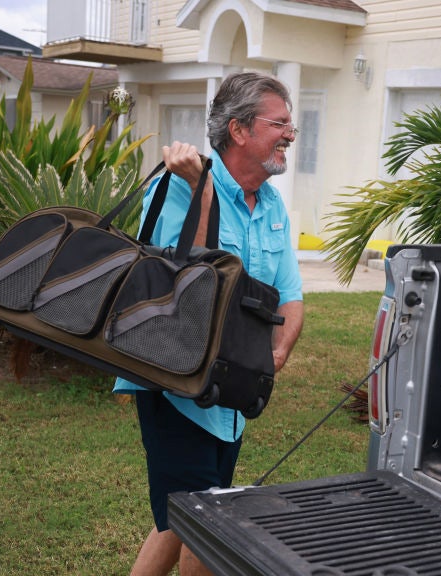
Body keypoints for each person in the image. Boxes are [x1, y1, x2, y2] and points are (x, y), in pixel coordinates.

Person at [114, 72, 304, 576]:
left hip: (233, 389)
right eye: (279, 123)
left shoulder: (272, 204)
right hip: (176, 384)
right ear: (239, 130)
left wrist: (274, 356)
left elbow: (292, 294)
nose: (290, 132)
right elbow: (183, 279)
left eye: (291, 124)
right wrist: (200, 188)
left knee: (179, 517)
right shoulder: (178, 182)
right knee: (207, 521)